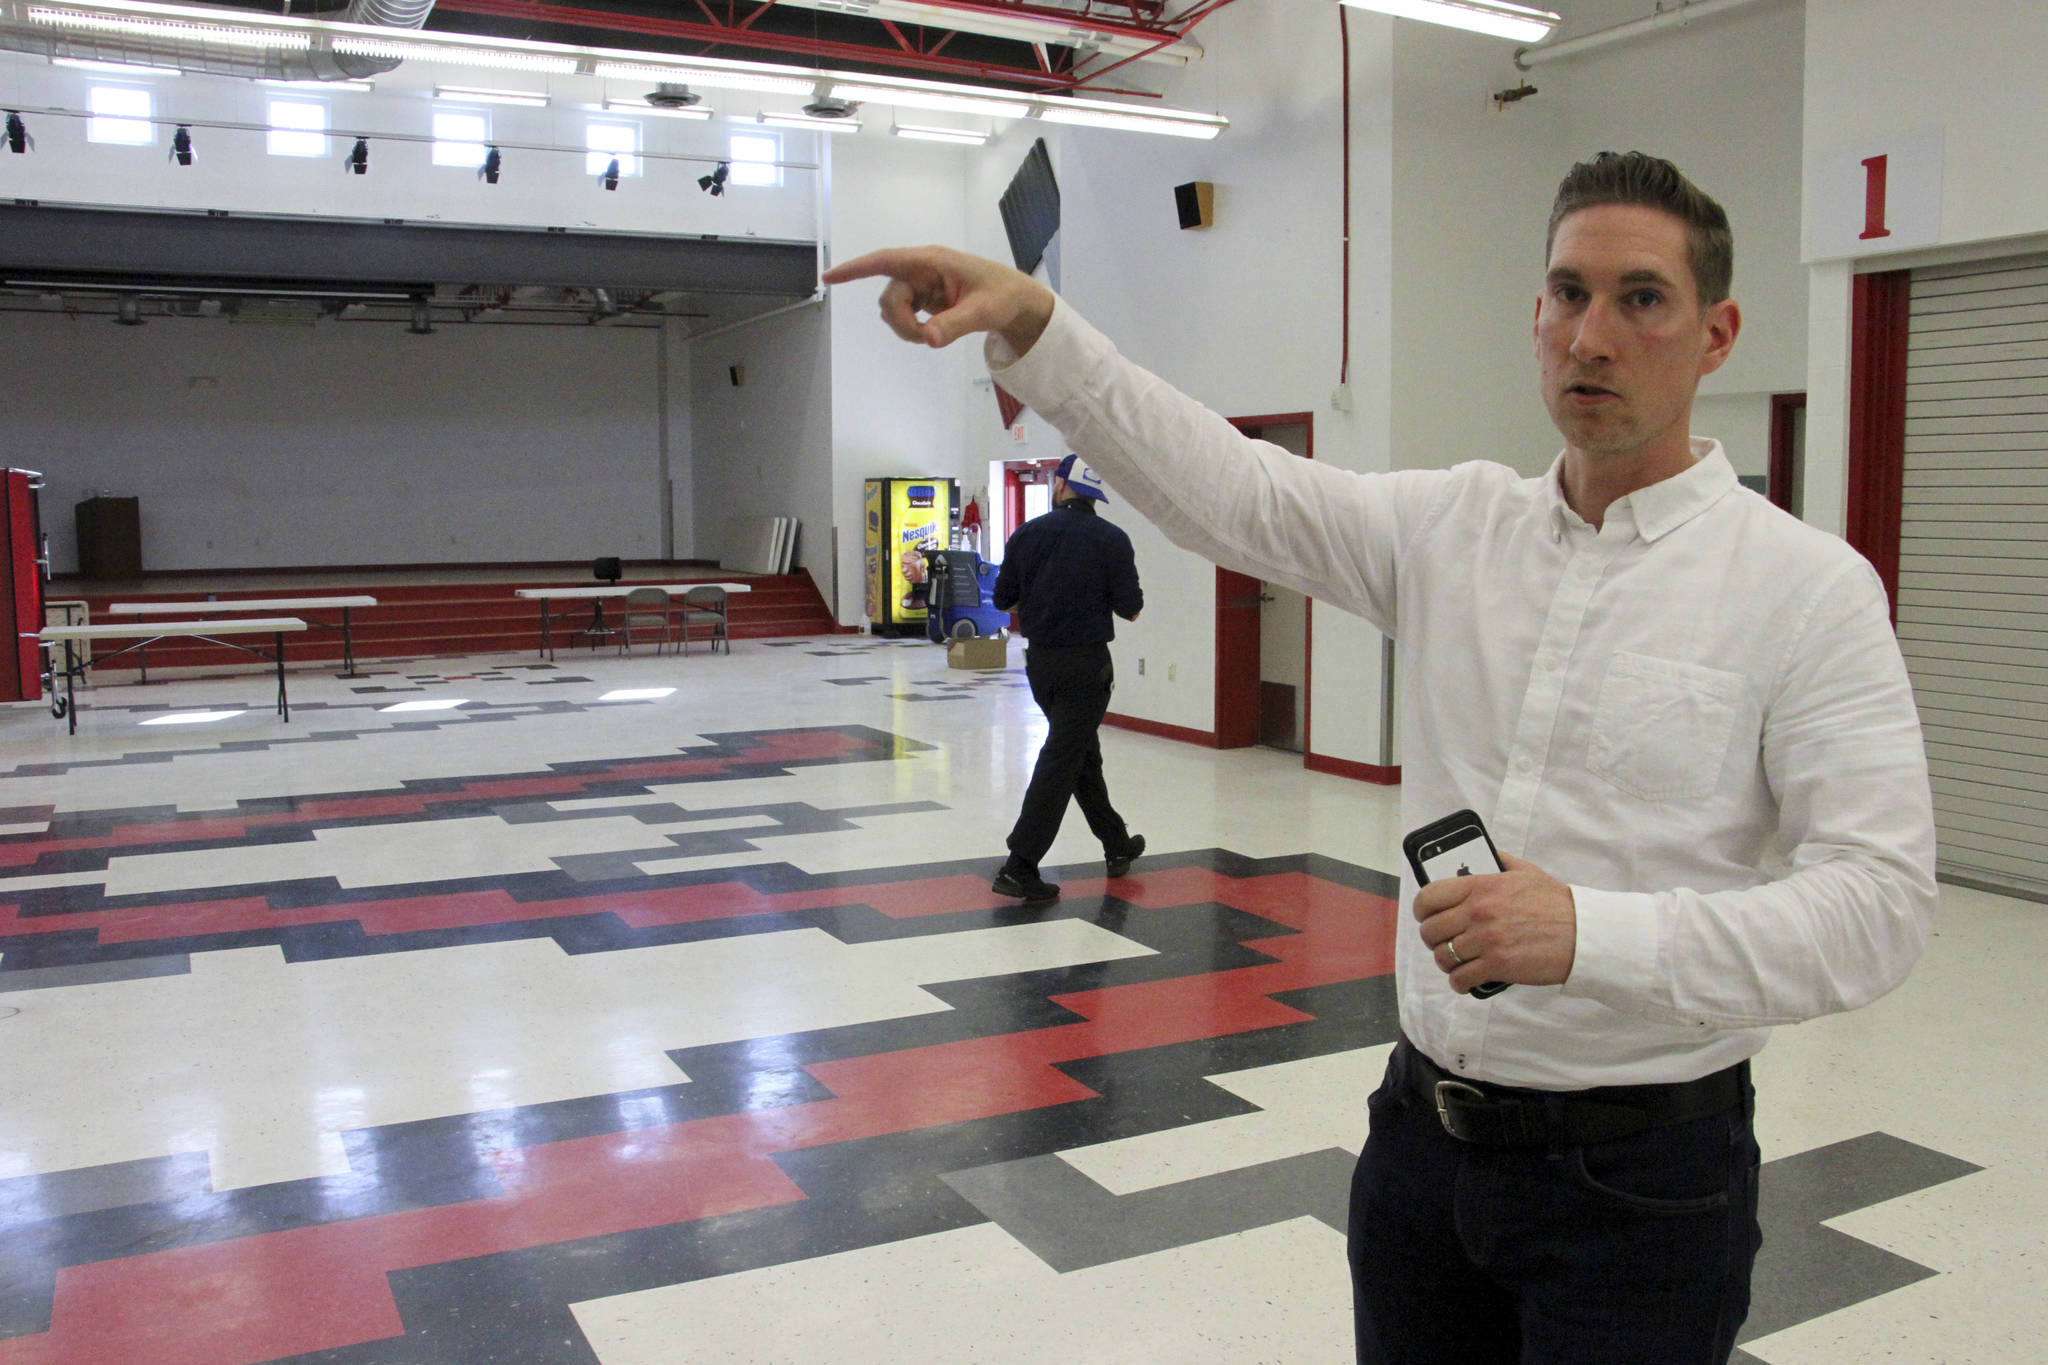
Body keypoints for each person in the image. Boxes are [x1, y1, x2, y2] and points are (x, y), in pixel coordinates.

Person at [823, 150, 1935, 1363]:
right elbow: (1231, 493)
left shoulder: (1805, 590)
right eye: (1567, 294)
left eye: (1640, 299)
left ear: (1715, 336)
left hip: (1645, 1186)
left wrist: (1593, 934)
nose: (1592, 336)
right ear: (1534, 317)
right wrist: (1042, 325)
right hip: (1419, 1152)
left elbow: (1877, 906)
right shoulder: (1456, 528)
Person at [986, 452, 1147, 903]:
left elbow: (1003, 601)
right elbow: (1130, 609)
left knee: (1078, 753)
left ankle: (1116, 845)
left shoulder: (1026, 534)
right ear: (1096, 495)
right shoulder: (1112, 539)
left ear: (1060, 486)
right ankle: (1020, 865)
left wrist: (1042, 602)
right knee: (1062, 758)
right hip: (1086, 666)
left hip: (1040, 666)